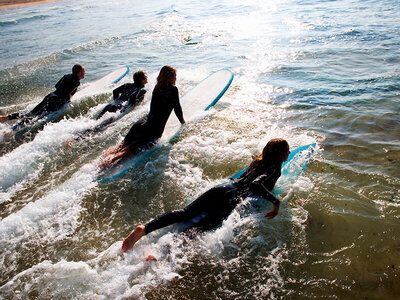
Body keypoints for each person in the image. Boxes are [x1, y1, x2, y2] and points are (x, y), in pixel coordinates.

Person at [121, 138, 290, 252]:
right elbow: (255, 185)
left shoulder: (257, 161)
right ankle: (161, 252)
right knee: (204, 227)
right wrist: (276, 202)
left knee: (185, 213)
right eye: (287, 151)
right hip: (232, 197)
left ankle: (144, 230)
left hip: (223, 187)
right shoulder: (274, 168)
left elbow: (242, 178)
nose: (289, 154)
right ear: (281, 154)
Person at [100, 65, 185, 168]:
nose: (176, 78)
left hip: (141, 123)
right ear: (170, 77)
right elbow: (177, 108)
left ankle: (98, 163)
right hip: (152, 131)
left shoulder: (157, 86)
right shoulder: (173, 90)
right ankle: (99, 170)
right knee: (122, 155)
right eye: (174, 76)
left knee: (118, 148)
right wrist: (183, 122)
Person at [0, 64, 85, 126]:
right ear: (78, 73)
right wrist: (66, 102)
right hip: (55, 102)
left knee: (32, 113)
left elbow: (57, 86)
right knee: (34, 117)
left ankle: (7, 118)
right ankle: (13, 129)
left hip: (50, 96)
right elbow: (66, 94)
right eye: (83, 71)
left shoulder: (66, 76)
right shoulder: (76, 82)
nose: (84, 72)